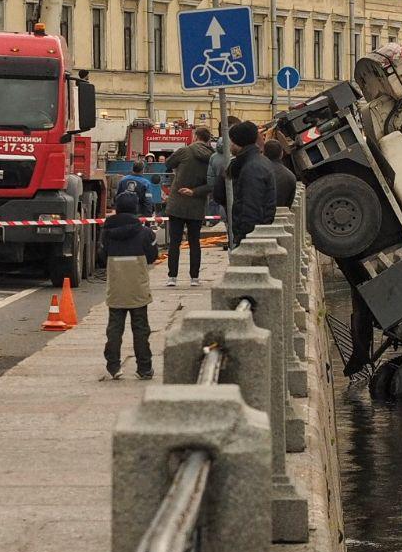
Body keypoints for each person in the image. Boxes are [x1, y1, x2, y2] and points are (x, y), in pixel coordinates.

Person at [97, 193, 159, 380]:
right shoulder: (145, 233)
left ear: (116, 209)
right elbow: (153, 256)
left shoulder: (107, 233)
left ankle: (114, 366)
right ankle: (144, 368)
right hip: (138, 286)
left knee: (115, 327)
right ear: (135, 210)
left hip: (116, 287)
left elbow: (101, 257)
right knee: (141, 328)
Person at [164, 127, 213, 287]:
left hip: (177, 202)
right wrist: (194, 191)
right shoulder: (212, 157)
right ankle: (194, 277)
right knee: (194, 242)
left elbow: (168, 163)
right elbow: (212, 184)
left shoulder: (185, 151)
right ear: (207, 139)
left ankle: (172, 277)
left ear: (196, 136)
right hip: (197, 204)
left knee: (175, 242)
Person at [213, 121, 276, 245]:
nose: (230, 146)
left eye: (232, 141)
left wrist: (245, 239)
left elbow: (251, 208)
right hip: (255, 233)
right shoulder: (252, 162)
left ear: (238, 143)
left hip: (251, 238)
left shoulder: (252, 168)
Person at [262, 139, 298, 207]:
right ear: (281, 154)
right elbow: (289, 203)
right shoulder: (290, 176)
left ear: (263, 153)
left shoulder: (257, 172)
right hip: (282, 215)